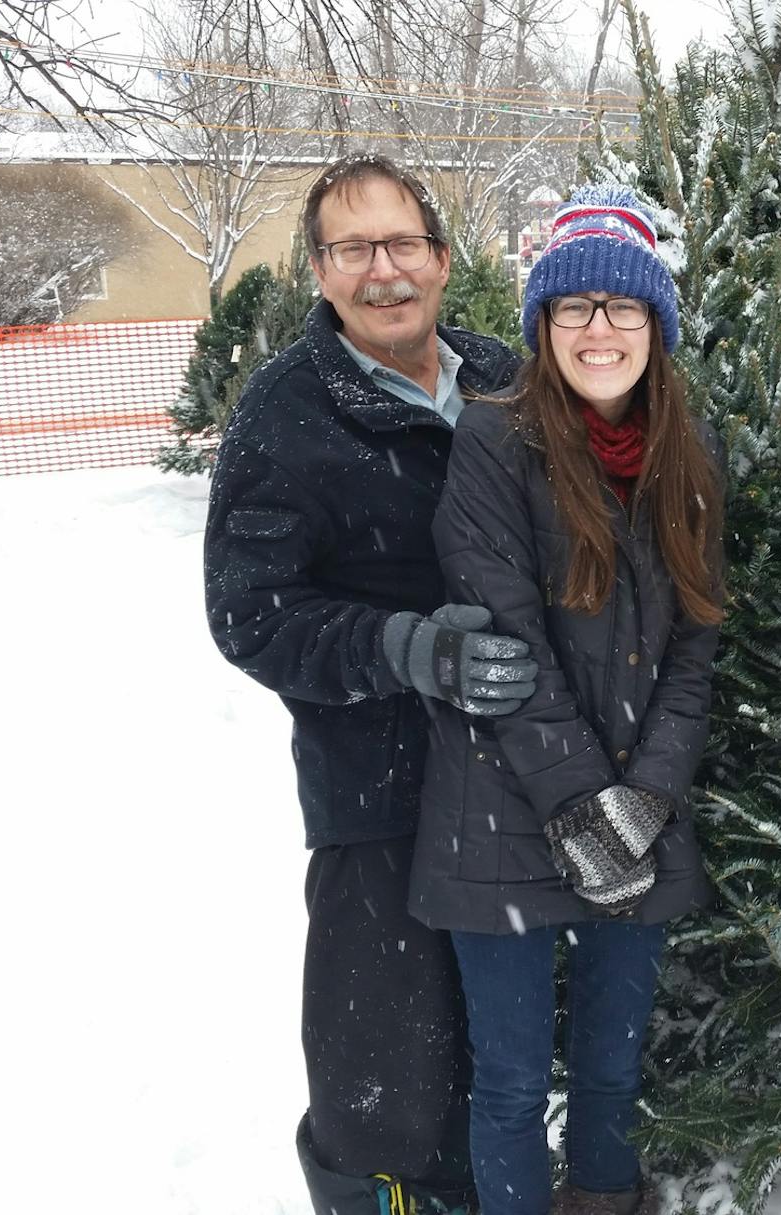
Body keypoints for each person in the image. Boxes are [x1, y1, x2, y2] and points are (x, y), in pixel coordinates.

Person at [203, 152, 540, 1215]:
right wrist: (405, 650)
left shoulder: (505, 376)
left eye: (401, 243)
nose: (382, 269)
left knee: (511, 1050)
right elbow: (250, 613)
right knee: (386, 1071)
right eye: (353, 248)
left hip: (529, 773)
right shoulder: (287, 411)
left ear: (441, 259)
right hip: (381, 791)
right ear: (319, 269)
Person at [407, 185, 724, 1215]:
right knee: (507, 1084)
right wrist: (584, 802)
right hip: (500, 808)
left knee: (611, 1072)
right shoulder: (494, 441)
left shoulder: (690, 451)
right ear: (542, 325)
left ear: (655, 325)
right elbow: (507, 641)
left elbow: (696, 644)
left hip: (638, 806)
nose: (599, 328)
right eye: (573, 306)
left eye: (623, 305)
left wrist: (645, 797)